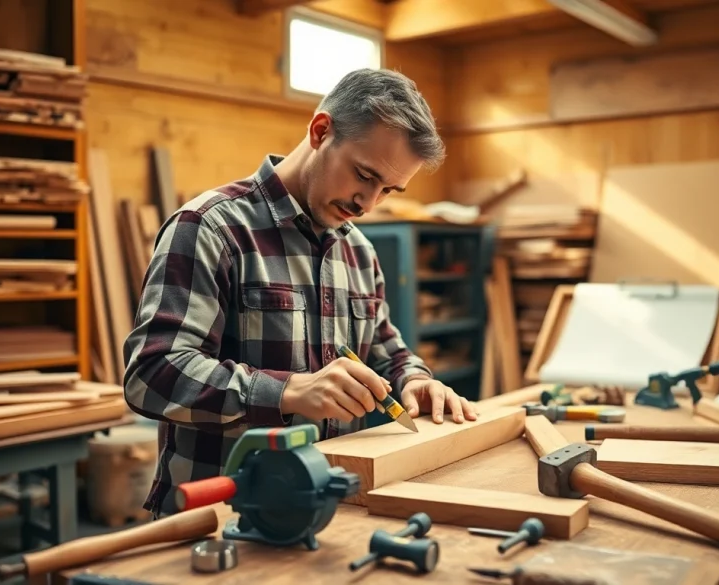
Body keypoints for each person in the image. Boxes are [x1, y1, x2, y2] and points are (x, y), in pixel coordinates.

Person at [123, 68, 479, 518]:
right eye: (364, 175)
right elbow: (152, 375)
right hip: (221, 514)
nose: (367, 204)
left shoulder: (359, 251)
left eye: (388, 190)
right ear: (320, 130)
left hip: (328, 507)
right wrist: (287, 391)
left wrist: (416, 380)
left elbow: (388, 351)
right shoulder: (210, 228)